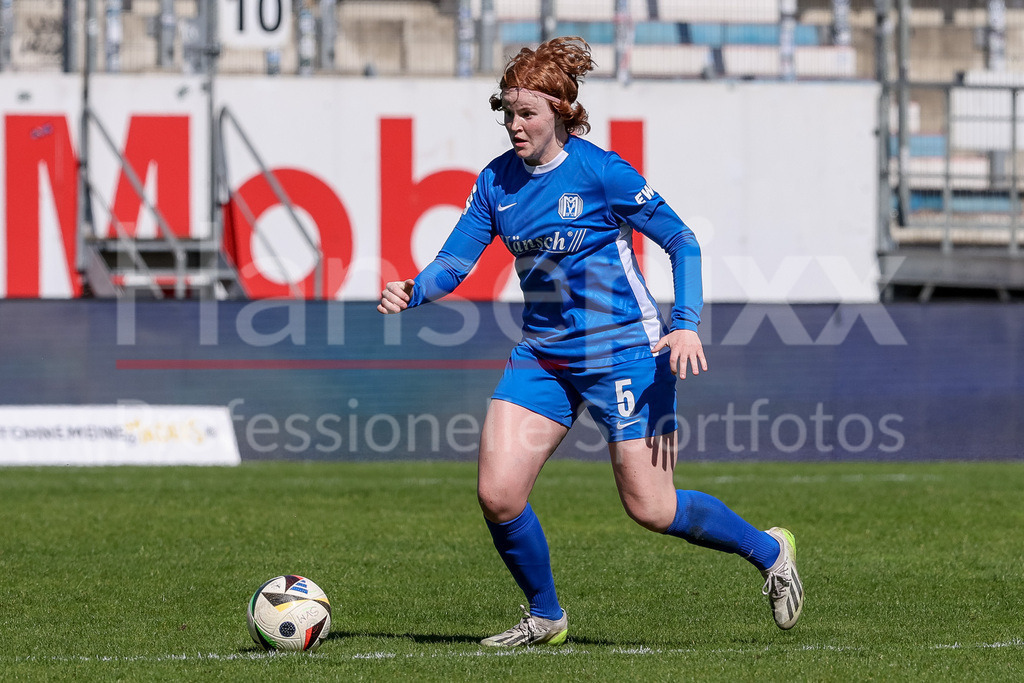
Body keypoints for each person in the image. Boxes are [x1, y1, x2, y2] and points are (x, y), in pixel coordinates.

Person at [378, 36, 803, 647]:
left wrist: (685, 322)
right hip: (544, 357)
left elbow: (683, 241)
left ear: (561, 112)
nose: (514, 124)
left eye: (526, 113)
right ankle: (546, 617)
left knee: (652, 510)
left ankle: (770, 550)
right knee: (498, 494)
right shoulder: (496, 183)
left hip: (627, 353)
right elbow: (455, 263)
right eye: (507, 111)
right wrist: (414, 290)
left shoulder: (602, 172)